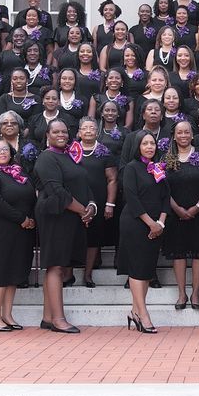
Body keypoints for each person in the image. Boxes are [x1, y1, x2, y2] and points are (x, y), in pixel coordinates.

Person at [33, 120, 91, 333]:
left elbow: (83, 184)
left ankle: (48, 317)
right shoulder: (46, 158)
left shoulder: (71, 156)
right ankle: (58, 319)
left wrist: (90, 206)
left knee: (62, 265)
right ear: (47, 134)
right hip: (54, 215)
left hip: (71, 215)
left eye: (64, 131)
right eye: (56, 131)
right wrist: (82, 210)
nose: (61, 134)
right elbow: (57, 191)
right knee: (56, 265)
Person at [0, 138, 36, 331]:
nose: (2, 153)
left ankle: (7, 315)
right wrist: (22, 219)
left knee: (14, 273)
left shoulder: (19, 174)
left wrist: (30, 219)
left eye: (5, 150)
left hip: (19, 231)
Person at [117, 130, 170, 333]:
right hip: (136, 223)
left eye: (152, 144)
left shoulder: (157, 168)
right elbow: (132, 198)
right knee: (137, 269)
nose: (150, 147)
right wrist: (151, 224)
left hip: (156, 225)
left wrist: (161, 224)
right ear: (138, 146)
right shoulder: (131, 168)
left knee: (147, 270)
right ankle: (143, 315)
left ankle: (134, 311)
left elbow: (166, 197)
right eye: (145, 143)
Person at [162, 120, 199, 310]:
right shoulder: (166, 158)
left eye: (186, 132)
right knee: (178, 253)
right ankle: (181, 293)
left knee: (198, 253)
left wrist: (197, 206)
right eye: (179, 132)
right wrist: (177, 208)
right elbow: (163, 187)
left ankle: (195, 293)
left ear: (192, 134)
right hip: (175, 213)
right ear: (174, 135)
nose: (183, 136)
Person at [73, 117, 118, 288]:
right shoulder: (71, 150)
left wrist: (110, 203)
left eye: (92, 128)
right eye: (85, 128)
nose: (89, 131)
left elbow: (112, 179)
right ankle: (68, 274)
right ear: (79, 132)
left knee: (93, 239)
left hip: (98, 200)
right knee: (73, 236)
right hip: (75, 201)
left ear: (97, 131)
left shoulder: (104, 152)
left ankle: (88, 274)